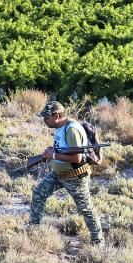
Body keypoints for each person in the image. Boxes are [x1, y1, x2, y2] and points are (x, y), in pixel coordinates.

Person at [28, 101, 103, 245]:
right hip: (58, 174)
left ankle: (98, 241)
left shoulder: (71, 129)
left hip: (75, 177)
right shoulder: (60, 127)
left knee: (86, 209)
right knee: (38, 193)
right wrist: (50, 152)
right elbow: (62, 149)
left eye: (46, 118)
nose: (44, 121)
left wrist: (53, 155)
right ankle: (34, 230)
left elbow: (77, 157)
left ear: (56, 115)